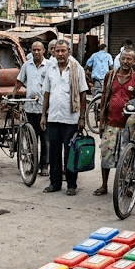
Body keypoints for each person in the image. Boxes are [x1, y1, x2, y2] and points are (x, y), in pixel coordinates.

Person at [41, 38, 88, 195]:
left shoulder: (77, 69)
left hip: (70, 119)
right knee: (54, 152)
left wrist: (82, 118)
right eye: (57, 51)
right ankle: (54, 183)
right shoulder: (51, 69)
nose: (60, 54)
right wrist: (43, 116)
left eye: (63, 51)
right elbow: (46, 93)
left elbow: (83, 94)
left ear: (69, 52)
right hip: (53, 118)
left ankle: (71, 185)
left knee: (70, 154)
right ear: (53, 52)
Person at [93, 49, 135, 196]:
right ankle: (104, 185)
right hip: (110, 123)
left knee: (127, 158)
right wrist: (101, 122)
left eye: (129, 59)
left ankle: (128, 184)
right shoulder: (110, 75)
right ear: (119, 60)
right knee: (106, 155)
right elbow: (103, 99)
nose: (126, 62)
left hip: (128, 126)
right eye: (123, 59)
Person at [13, 40, 50, 176]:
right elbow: (19, 82)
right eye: (34, 50)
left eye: (38, 50)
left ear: (43, 51)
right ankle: (31, 165)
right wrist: (13, 96)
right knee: (29, 140)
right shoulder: (26, 65)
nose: (36, 52)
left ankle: (44, 165)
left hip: (44, 110)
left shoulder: (50, 66)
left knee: (46, 140)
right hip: (29, 108)